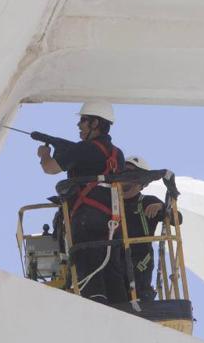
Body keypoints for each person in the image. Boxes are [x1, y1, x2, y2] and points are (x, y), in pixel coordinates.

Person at [37, 102, 127, 305]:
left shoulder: (84, 149)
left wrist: (44, 153)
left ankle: (95, 307)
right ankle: (122, 309)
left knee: (88, 263)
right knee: (112, 268)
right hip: (113, 220)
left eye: (83, 121)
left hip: (87, 218)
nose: (79, 125)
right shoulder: (117, 154)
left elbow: (50, 168)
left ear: (95, 123)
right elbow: (92, 161)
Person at [121, 156, 183, 301]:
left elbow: (177, 218)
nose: (126, 180)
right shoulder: (109, 204)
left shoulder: (147, 202)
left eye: (132, 176)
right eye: (123, 174)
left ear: (142, 183)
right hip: (114, 265)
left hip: (139, 267)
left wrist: (162, 207)